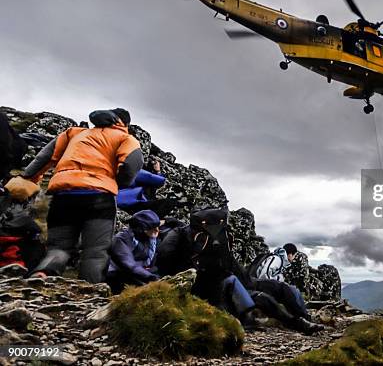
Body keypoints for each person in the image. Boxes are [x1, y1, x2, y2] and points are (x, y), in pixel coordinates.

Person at [23, 108, 143, 283]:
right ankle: (90, 290)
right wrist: (119, 182)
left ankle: (43, 274)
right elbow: (132, 165)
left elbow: (44, 157)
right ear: (124, 123)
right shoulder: (125, 138)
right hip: (99, 197)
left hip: (63, 195)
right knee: (95, 251)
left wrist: (28, 178)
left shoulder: (74, 133)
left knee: (58, 247)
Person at [157, 207, 322, 334]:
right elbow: (165, 262)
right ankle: (298, 323)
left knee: (282, 288)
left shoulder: (212, 239)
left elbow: (231, 264)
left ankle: (304, 318)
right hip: (209, 286)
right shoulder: (180, 237)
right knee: (262, 298)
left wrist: (248, 282)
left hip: (232, 279)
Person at [106, 210, 160, 294]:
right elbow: (129, 266)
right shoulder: (121, 240)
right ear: (141, 229)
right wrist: (152, 278)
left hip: (139, 273)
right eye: (152, 228)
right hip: (118, 275)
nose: (157, 230)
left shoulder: (148, 238)